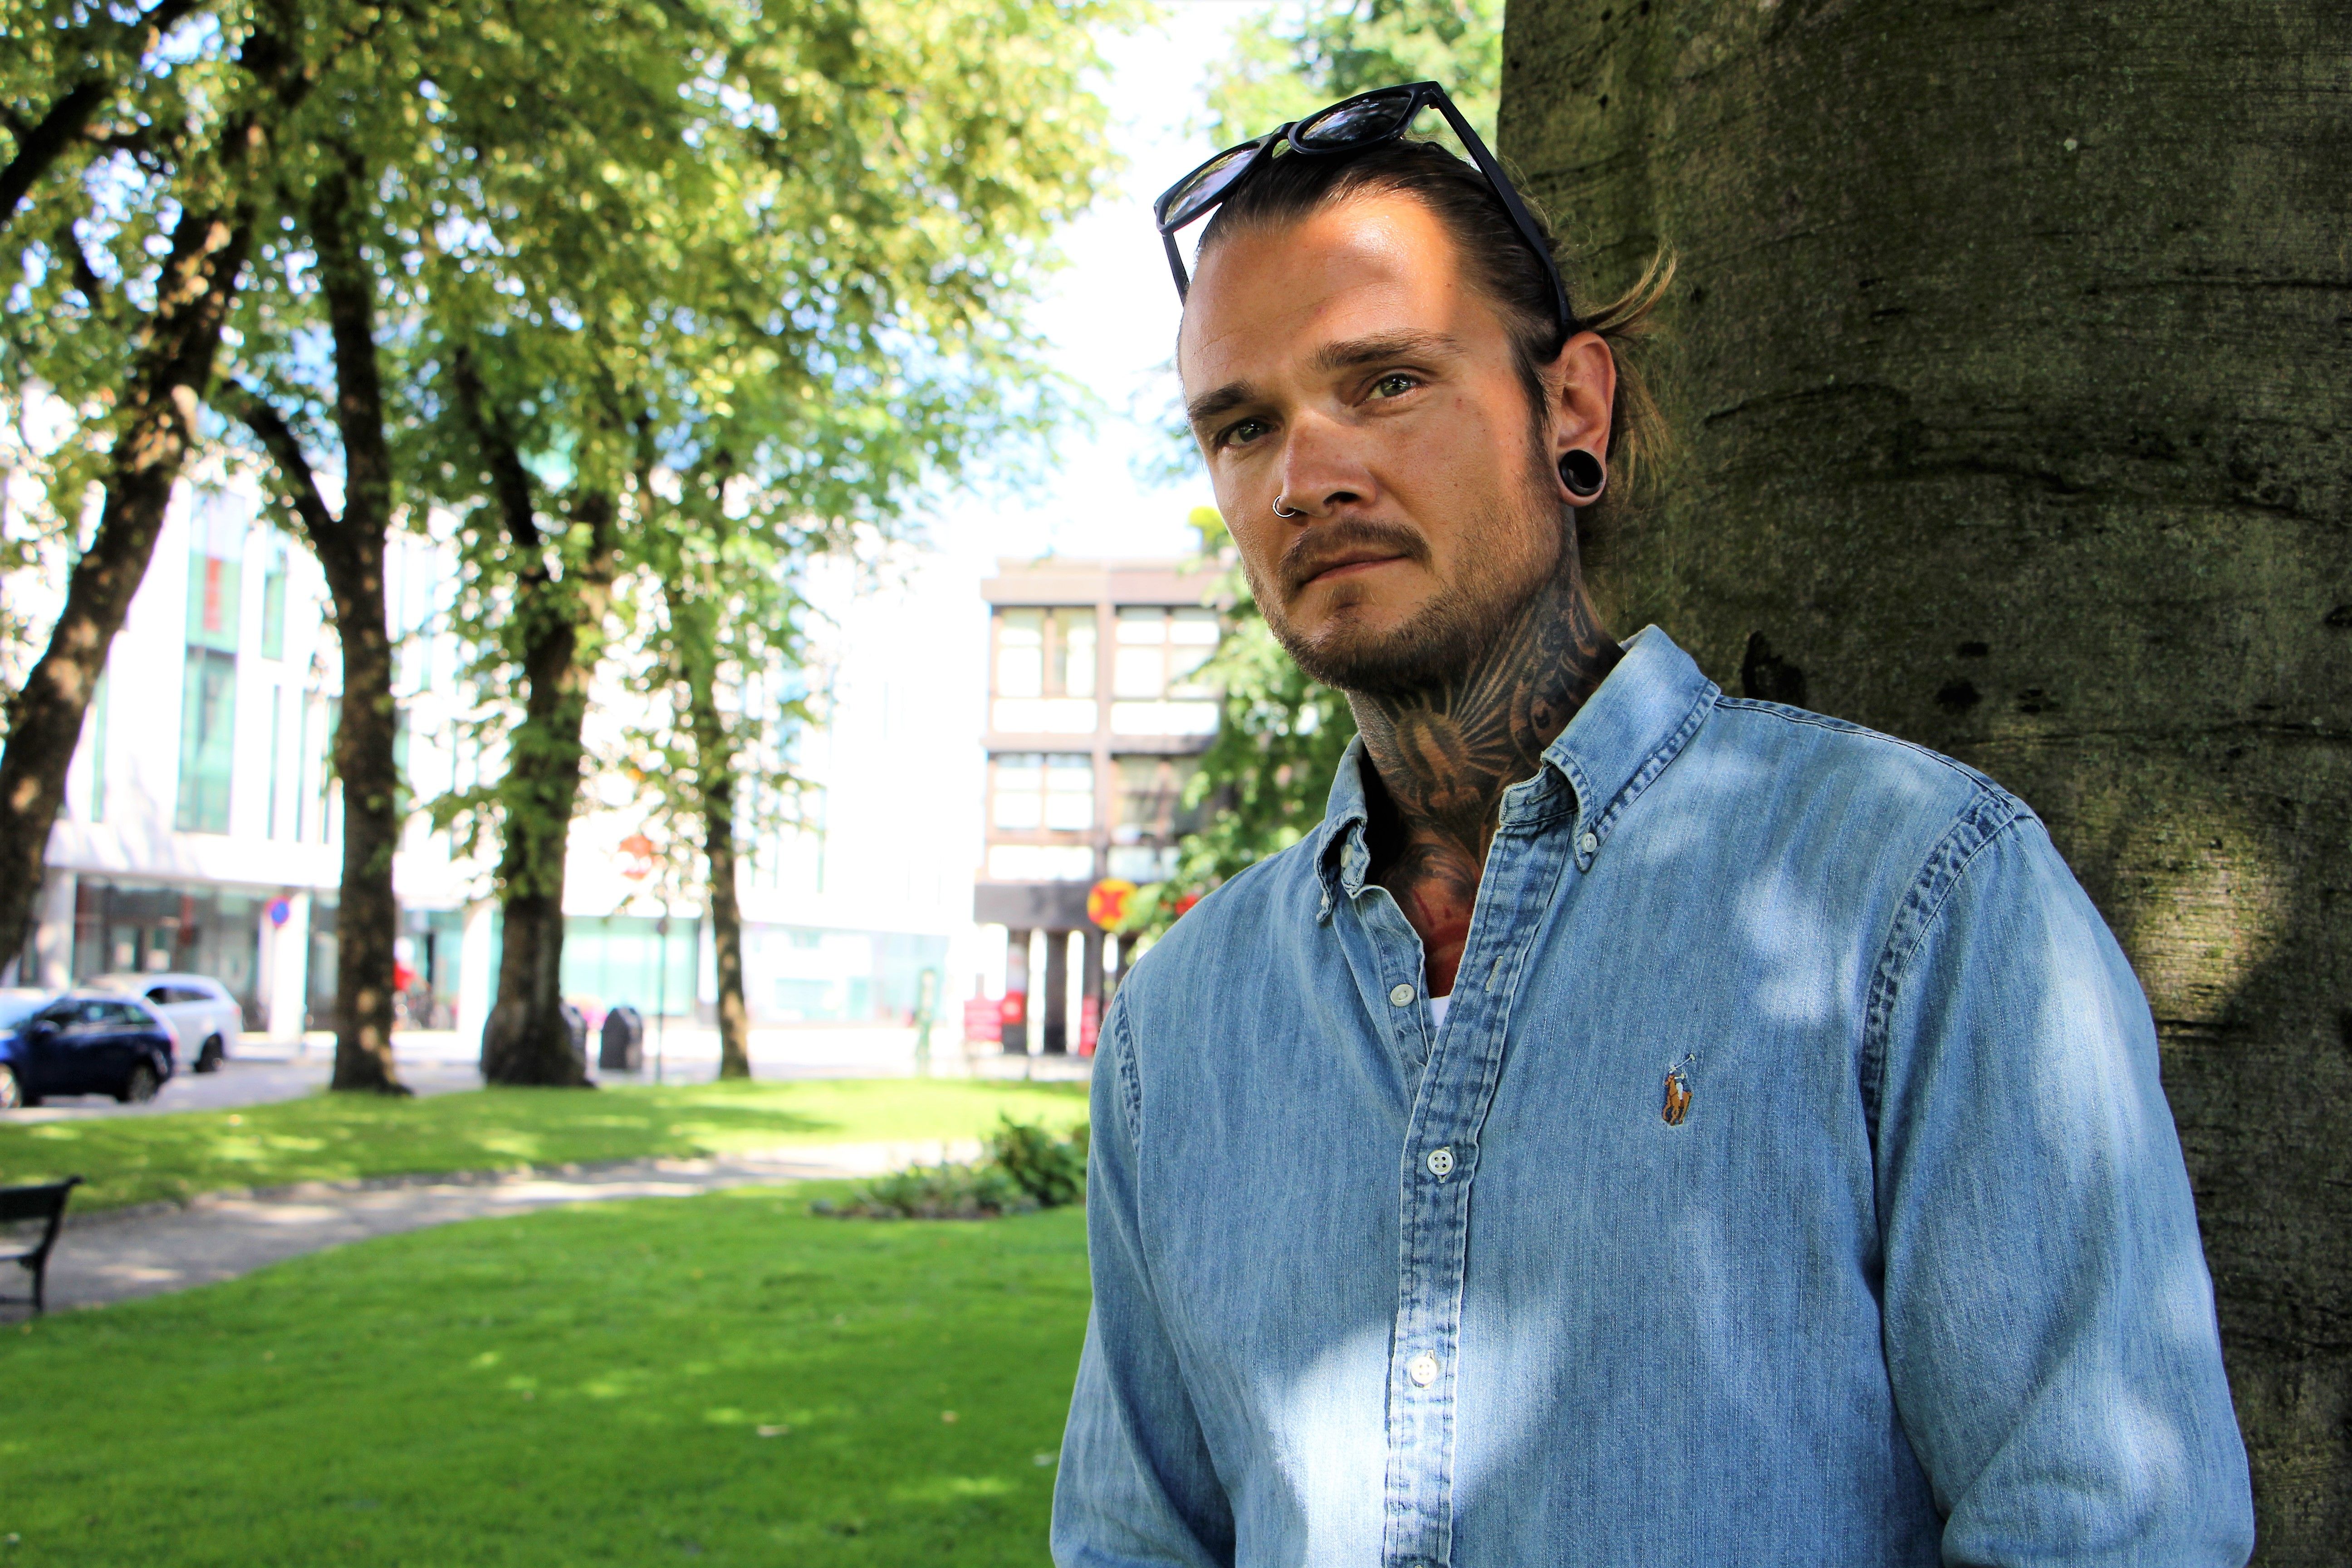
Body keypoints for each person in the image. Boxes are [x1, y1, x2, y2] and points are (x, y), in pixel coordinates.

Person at [1051, 82, 2254, 1567]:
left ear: (1573, 408)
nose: (1307, 478)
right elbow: (1133, 1542)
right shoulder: (1180, 1027)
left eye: (1387, 382)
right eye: (1244, 427)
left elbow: (2108, 1530)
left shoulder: (1916, 898)